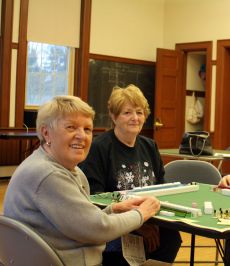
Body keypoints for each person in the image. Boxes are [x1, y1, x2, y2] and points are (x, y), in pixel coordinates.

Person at [3, 95, 160, 266]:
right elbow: (97, 229)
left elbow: (80, 221)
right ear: (46, 132)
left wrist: (113, 210)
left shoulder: (63, 168)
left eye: (87, 129)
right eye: (71, 127)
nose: (81, 136)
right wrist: (141, 213)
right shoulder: (48, 175)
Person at [79, 84, 182, 265]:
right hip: (116, 224)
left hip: (150, 219)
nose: (135, 118)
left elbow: (162, 188)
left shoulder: (150, 146)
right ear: (114, 116)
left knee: (171, 237)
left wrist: (151, 221)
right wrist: (138, 224)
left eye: (139, 112)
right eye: (127, 113)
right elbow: (96, 198)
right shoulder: (99, 148)